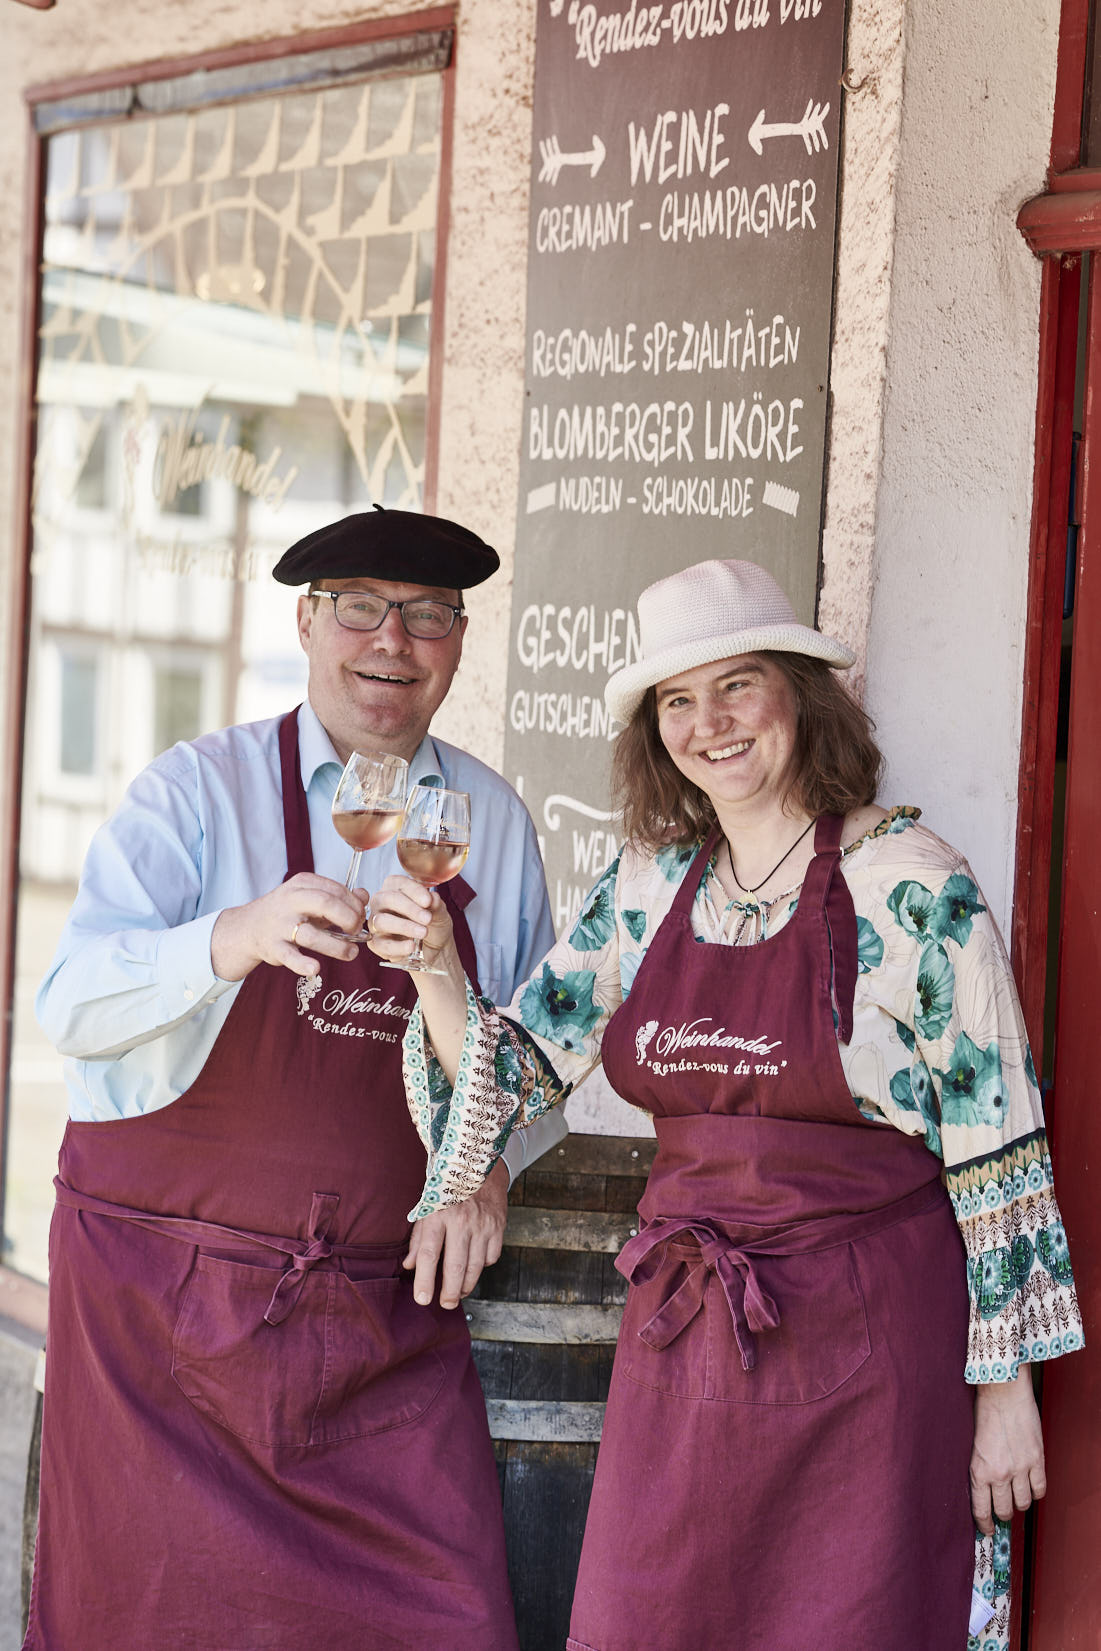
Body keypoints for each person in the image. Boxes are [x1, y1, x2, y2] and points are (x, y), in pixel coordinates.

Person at [368, 557, 1084, 1651]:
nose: (710, 723)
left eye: (737, 683)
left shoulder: (914, 884)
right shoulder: (649, 883)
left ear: (800, 691)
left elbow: (999, 1148)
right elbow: (515, 1074)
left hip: (872, 1353)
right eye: (676, 700)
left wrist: (1004, 1394)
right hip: (689, 1351)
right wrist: (437, 975)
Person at [29, 507, 564, 1651]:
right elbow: (67, 1002)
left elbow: (534, 1067)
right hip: (163, 1322)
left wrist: (484, 1174)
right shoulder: (196, 793)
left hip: (375, 1336)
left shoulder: (493, 829)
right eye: (363, 607)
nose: (394, 639)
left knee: (445, 1617)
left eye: (427, 615)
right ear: (310, 623)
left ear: (459, 643)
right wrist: (233, 934)